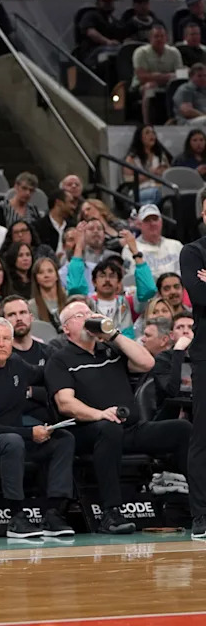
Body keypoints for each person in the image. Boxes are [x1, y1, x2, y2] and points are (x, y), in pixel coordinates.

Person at [46, 300, 191, 534]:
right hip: (88, 431)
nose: (87, 317)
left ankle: (200, 504)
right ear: (66, 328)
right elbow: (65, 403)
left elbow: (147, 362)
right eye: (79, 316)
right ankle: (111, 513)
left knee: (182, 430)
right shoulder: (60, 359)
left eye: (90, 313)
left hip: (129, 428)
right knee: (108, 428)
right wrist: (99, 414)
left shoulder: (110, 350)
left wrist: (113, 334)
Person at [0, 317, 75, 539]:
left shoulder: (16, 363)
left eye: (6, 339)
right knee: (13, 441)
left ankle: (54, 512)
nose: (1, 344)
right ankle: (17, 517)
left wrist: (69, 366)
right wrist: (30, 433)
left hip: (11, 439)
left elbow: (44, 375)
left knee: (63, 439)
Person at [180, 200, 206, 538]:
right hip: (205, 354)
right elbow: (199, 295)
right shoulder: (192, 251)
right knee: (203, 436)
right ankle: (201, 514)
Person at [131, 25, 182, 124]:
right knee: (150, 87)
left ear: (166, 38)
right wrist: (167, 76)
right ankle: (147, 123)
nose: (159, 39)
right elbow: (142, 77)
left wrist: (156, 76)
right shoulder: (141, 52)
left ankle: (177, 121)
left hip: (168, 85)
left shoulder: (174, 52)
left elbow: (179, 75)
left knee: (180, 87)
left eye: (162, 36)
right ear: (150, 39)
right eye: (156, 36)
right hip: (142, 86)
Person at [123, 125, 171, 208]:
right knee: (158, 193)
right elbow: (128, 179)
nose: (151, 135)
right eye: (147, 133)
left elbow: (169, 174)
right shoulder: (132, 158)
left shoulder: (160, 156)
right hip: (139, 191)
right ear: (140, 137)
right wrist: (150, 174)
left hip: (158, 187)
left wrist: (163, 172)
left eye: (153, 133)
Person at [2, 295, 55, 368]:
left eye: (23, 312)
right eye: (12, 314)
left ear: (31, 317)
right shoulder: (1, 357)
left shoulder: (49, 353)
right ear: (4, 321)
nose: (19, 318)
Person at [135, 204, 183, 280]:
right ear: (139, 225)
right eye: (147, 220)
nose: (152, 224)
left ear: (161, 222)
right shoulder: (132, 249)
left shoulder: (176, 245)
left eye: (155, 219)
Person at [30, 256, 68, 331]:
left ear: (57, 275)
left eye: (50, 271)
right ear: (36, 278)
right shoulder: (31, 306)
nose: (46, 275)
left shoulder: (69, 300)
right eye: (41, 272)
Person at [34, 188, 76, 253]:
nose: (74, 207)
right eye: (71, 202)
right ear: (58, 203)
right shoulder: (38, 227)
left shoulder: (73, 227)